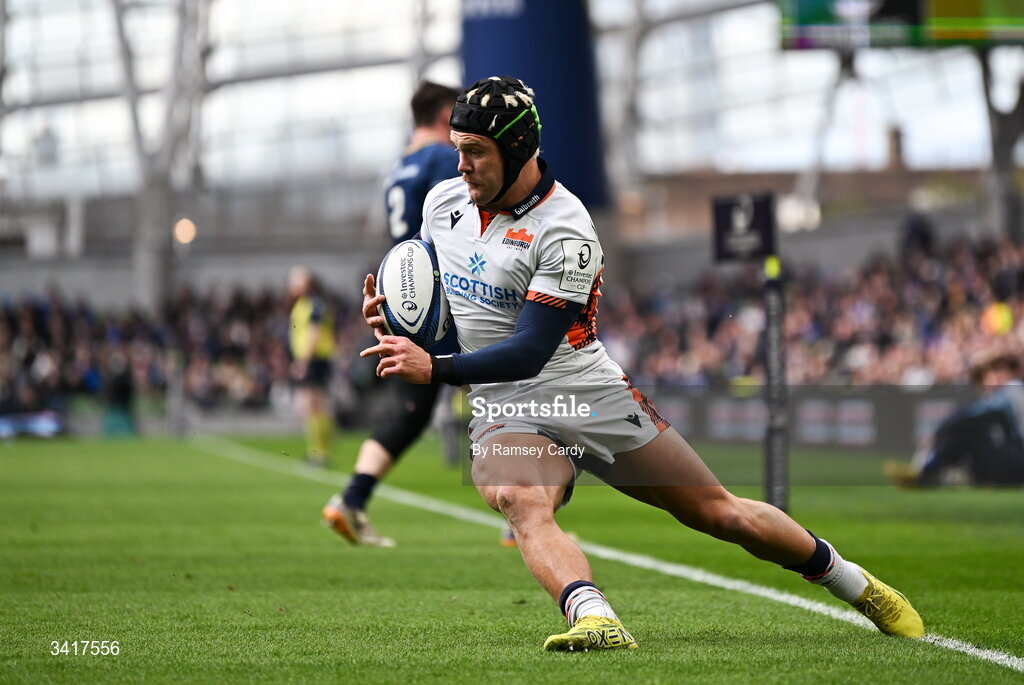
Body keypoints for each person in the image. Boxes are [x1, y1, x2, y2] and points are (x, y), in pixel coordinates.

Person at [357, 76, 924, 651]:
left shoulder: (567, 229)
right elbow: (442, 303)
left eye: (475, 151)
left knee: (721, 514)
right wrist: (397, 319)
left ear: (519, 148)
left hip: (586, 391)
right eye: (458, 148)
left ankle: (855, 583)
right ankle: (593, 617)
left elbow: (531, 350)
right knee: (521, 500)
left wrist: (436, 367)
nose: (461, 166)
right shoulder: (442, 203)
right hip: (505, 405)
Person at [321, 81, 461, 547]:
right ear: (445, 114)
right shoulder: (443, 158)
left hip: (403, 294)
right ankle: (519, 514)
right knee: (504, 385)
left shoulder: (398, 166)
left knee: (412, 411)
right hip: (446, 294)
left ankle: (352, 499)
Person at [888, 353, 1024, 487]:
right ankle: (931, 472)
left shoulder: (1013, 390)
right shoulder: (1005, 395)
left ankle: (927, 472)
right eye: (990, 373)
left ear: (1012, 373)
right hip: (1012, 460)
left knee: (964, 433)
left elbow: (967, 418)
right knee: (965, 435)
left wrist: (938, 434)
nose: (995, 377)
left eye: (1000, 371)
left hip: (1017, 462)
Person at [288, 266, 335, 468]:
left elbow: (314, 333)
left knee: (313, 405)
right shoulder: (307, 304)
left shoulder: (313, 304)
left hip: (314, 358)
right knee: (316, 405)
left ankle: (319, 453)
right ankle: (320, 452)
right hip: (316, 358)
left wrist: (303, 361)